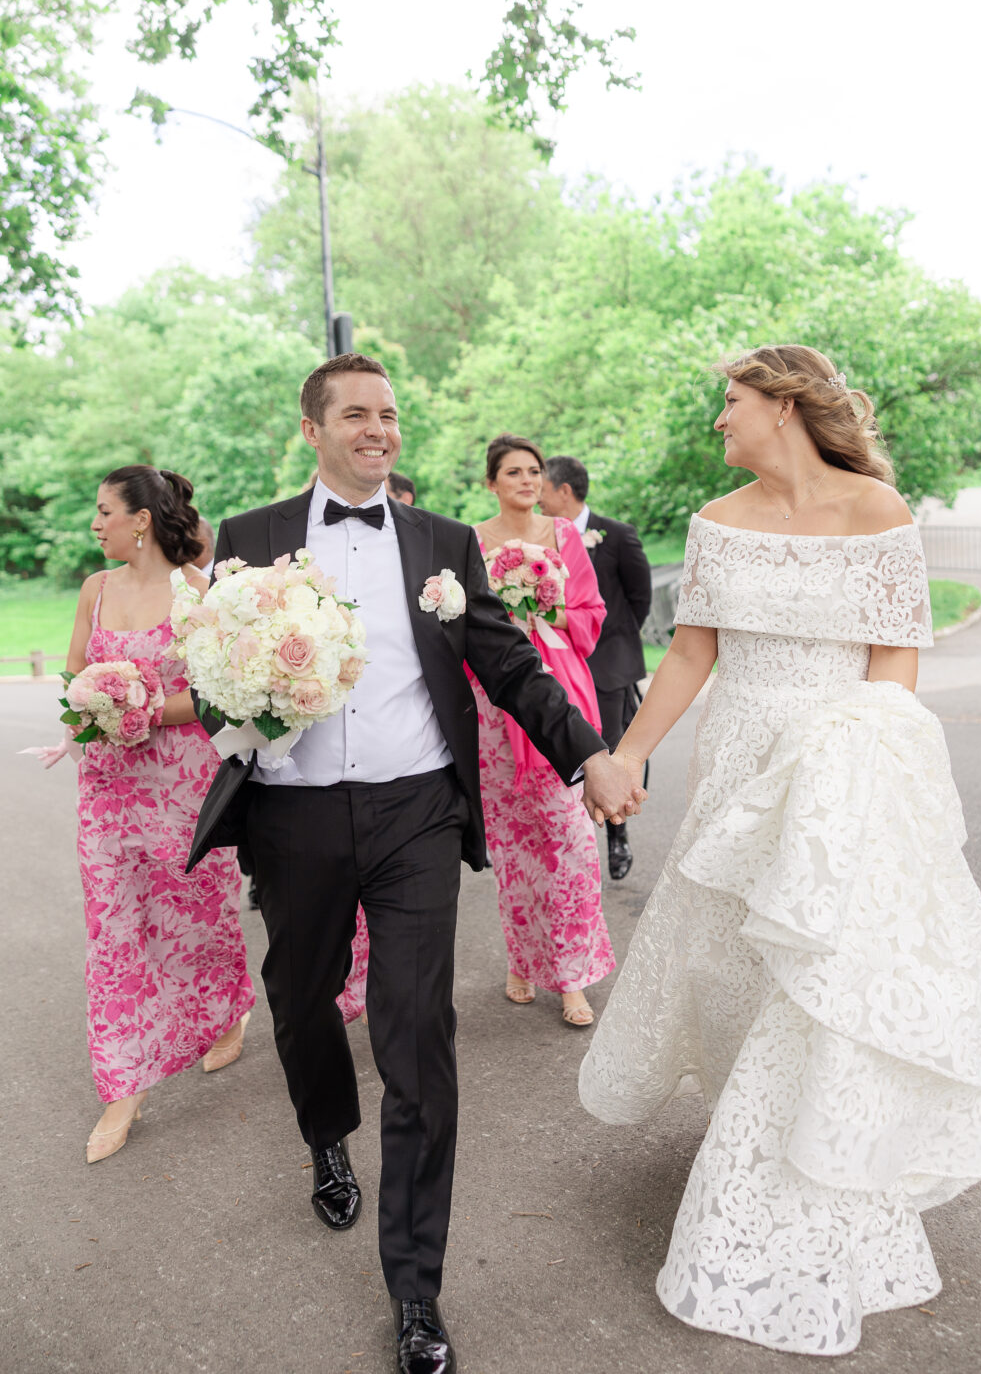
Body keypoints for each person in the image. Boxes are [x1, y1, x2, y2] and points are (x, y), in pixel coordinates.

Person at [578, 345, 981, 1357]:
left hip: (836, 778)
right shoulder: (713, 523)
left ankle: (787, 1197)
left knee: (820, 983)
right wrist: (625, 754)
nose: (720, 420)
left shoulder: (878, 515)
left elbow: (892, 670)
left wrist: (857, 782)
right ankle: (778, 1143)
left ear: (783, 405)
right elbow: (692, 652)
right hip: (736, 765)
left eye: (731, 401)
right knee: (742, 968)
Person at [185, 354, 641, 1374]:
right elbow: (213, 675)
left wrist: (590, 754)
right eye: (355, 414)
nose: (377, 428)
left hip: (415, 815)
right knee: (301, 1005)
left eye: (388, 414)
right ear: (312, 429)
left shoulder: (442, 544)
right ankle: (323, 1133)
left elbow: (507, 660)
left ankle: (416, 1292)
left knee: (417, 1036)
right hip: (292, 817)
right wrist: (245, 694)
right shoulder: (252, 537)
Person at [49, 468, 254, 1163]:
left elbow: (215, 692)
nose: (94, 525)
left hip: (185, 787)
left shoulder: (198, 593)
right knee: (114, 927)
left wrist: (141, 709)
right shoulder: (94, 590)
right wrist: (96, 702)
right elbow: (75, 670)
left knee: (201, 912)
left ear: (141, 519)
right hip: (108, 789)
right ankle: (123, 1084)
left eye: (104, 512)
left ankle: (229, 1011)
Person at [471, 434, 614, 1024]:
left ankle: (573, 976)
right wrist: (507, 610)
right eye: (513, 472)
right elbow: (466, 624)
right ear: (492, 483)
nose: (527, 481)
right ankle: (523, 960)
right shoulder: (471, 542)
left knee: (570, 841)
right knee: (513, 844)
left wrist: (543, 607)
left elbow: (590, 614)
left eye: (533, 471)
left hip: (558, 693)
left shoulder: (566, 537)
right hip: (495, 706)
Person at [541, 455, 652, 880]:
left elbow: (639, 597)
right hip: (560, 659)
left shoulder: (617, 535)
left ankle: (617, 834)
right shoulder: (542, 536)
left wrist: (616, 647)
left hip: (608, 662)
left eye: (543, 488)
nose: (538, 498)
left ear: (564, 491)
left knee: (610, 749)